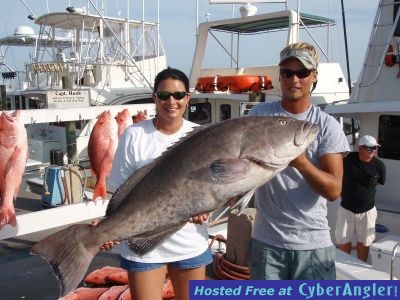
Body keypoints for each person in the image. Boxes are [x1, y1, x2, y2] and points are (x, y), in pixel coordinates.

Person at [105, 67, 212, 300]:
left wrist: (205, 208)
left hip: (190, 242)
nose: (171, 101)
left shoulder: (201, 135)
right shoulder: (134, 134)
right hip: (143, 245)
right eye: (164, 96)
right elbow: (120, 189)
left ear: (188, 98)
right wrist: (110, 225)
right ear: (154, 98)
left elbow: (211, 186)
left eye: (178, 95)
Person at [247, 41, 350, 280]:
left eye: (302, 72)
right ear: (280, 76)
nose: (295, 79)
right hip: (266, 243)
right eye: (288, 72)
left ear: (314, 76)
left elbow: (334, 190)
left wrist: (301, 163)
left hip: (313, 244)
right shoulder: (258, 116)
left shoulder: (326, 126)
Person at [335, 135, 386, 262]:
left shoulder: (379, 165)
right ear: (360, 148)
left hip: (367, 211)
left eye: (374, 148)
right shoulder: (348, 159)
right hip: (346, 208)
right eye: (368, 148)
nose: (372, 151)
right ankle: (344, 267)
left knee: (364, 242)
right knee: (343, 239)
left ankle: (361, 266)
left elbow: (381, 182)